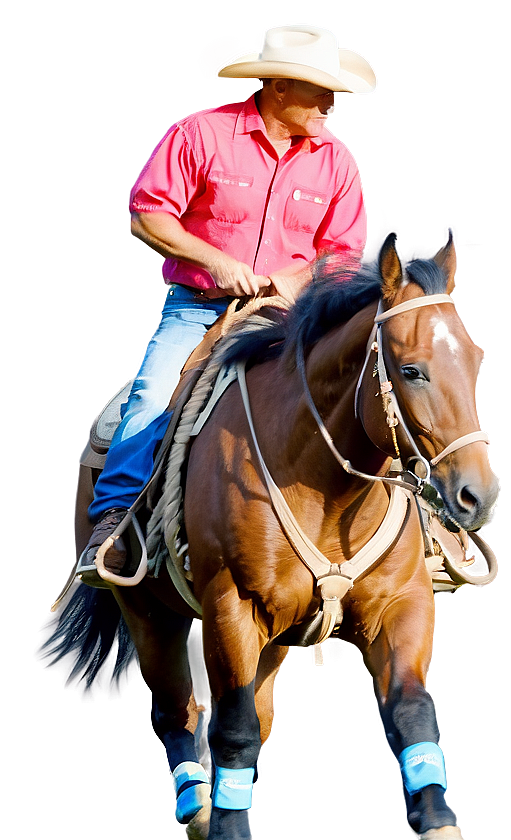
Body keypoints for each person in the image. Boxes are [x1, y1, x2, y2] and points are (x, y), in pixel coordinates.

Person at [80, 23, 378, 577]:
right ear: (280, 87)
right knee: (152, 396)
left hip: (293, 317)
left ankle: (420, 526)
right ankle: (114, 522)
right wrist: (214, 260)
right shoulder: (202, 135)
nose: (332, 105)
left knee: (367, 387)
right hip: (199, 307)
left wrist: (297, 277)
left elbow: (343, 253)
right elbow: (149, 213)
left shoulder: (337, 163)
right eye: (321, 90)